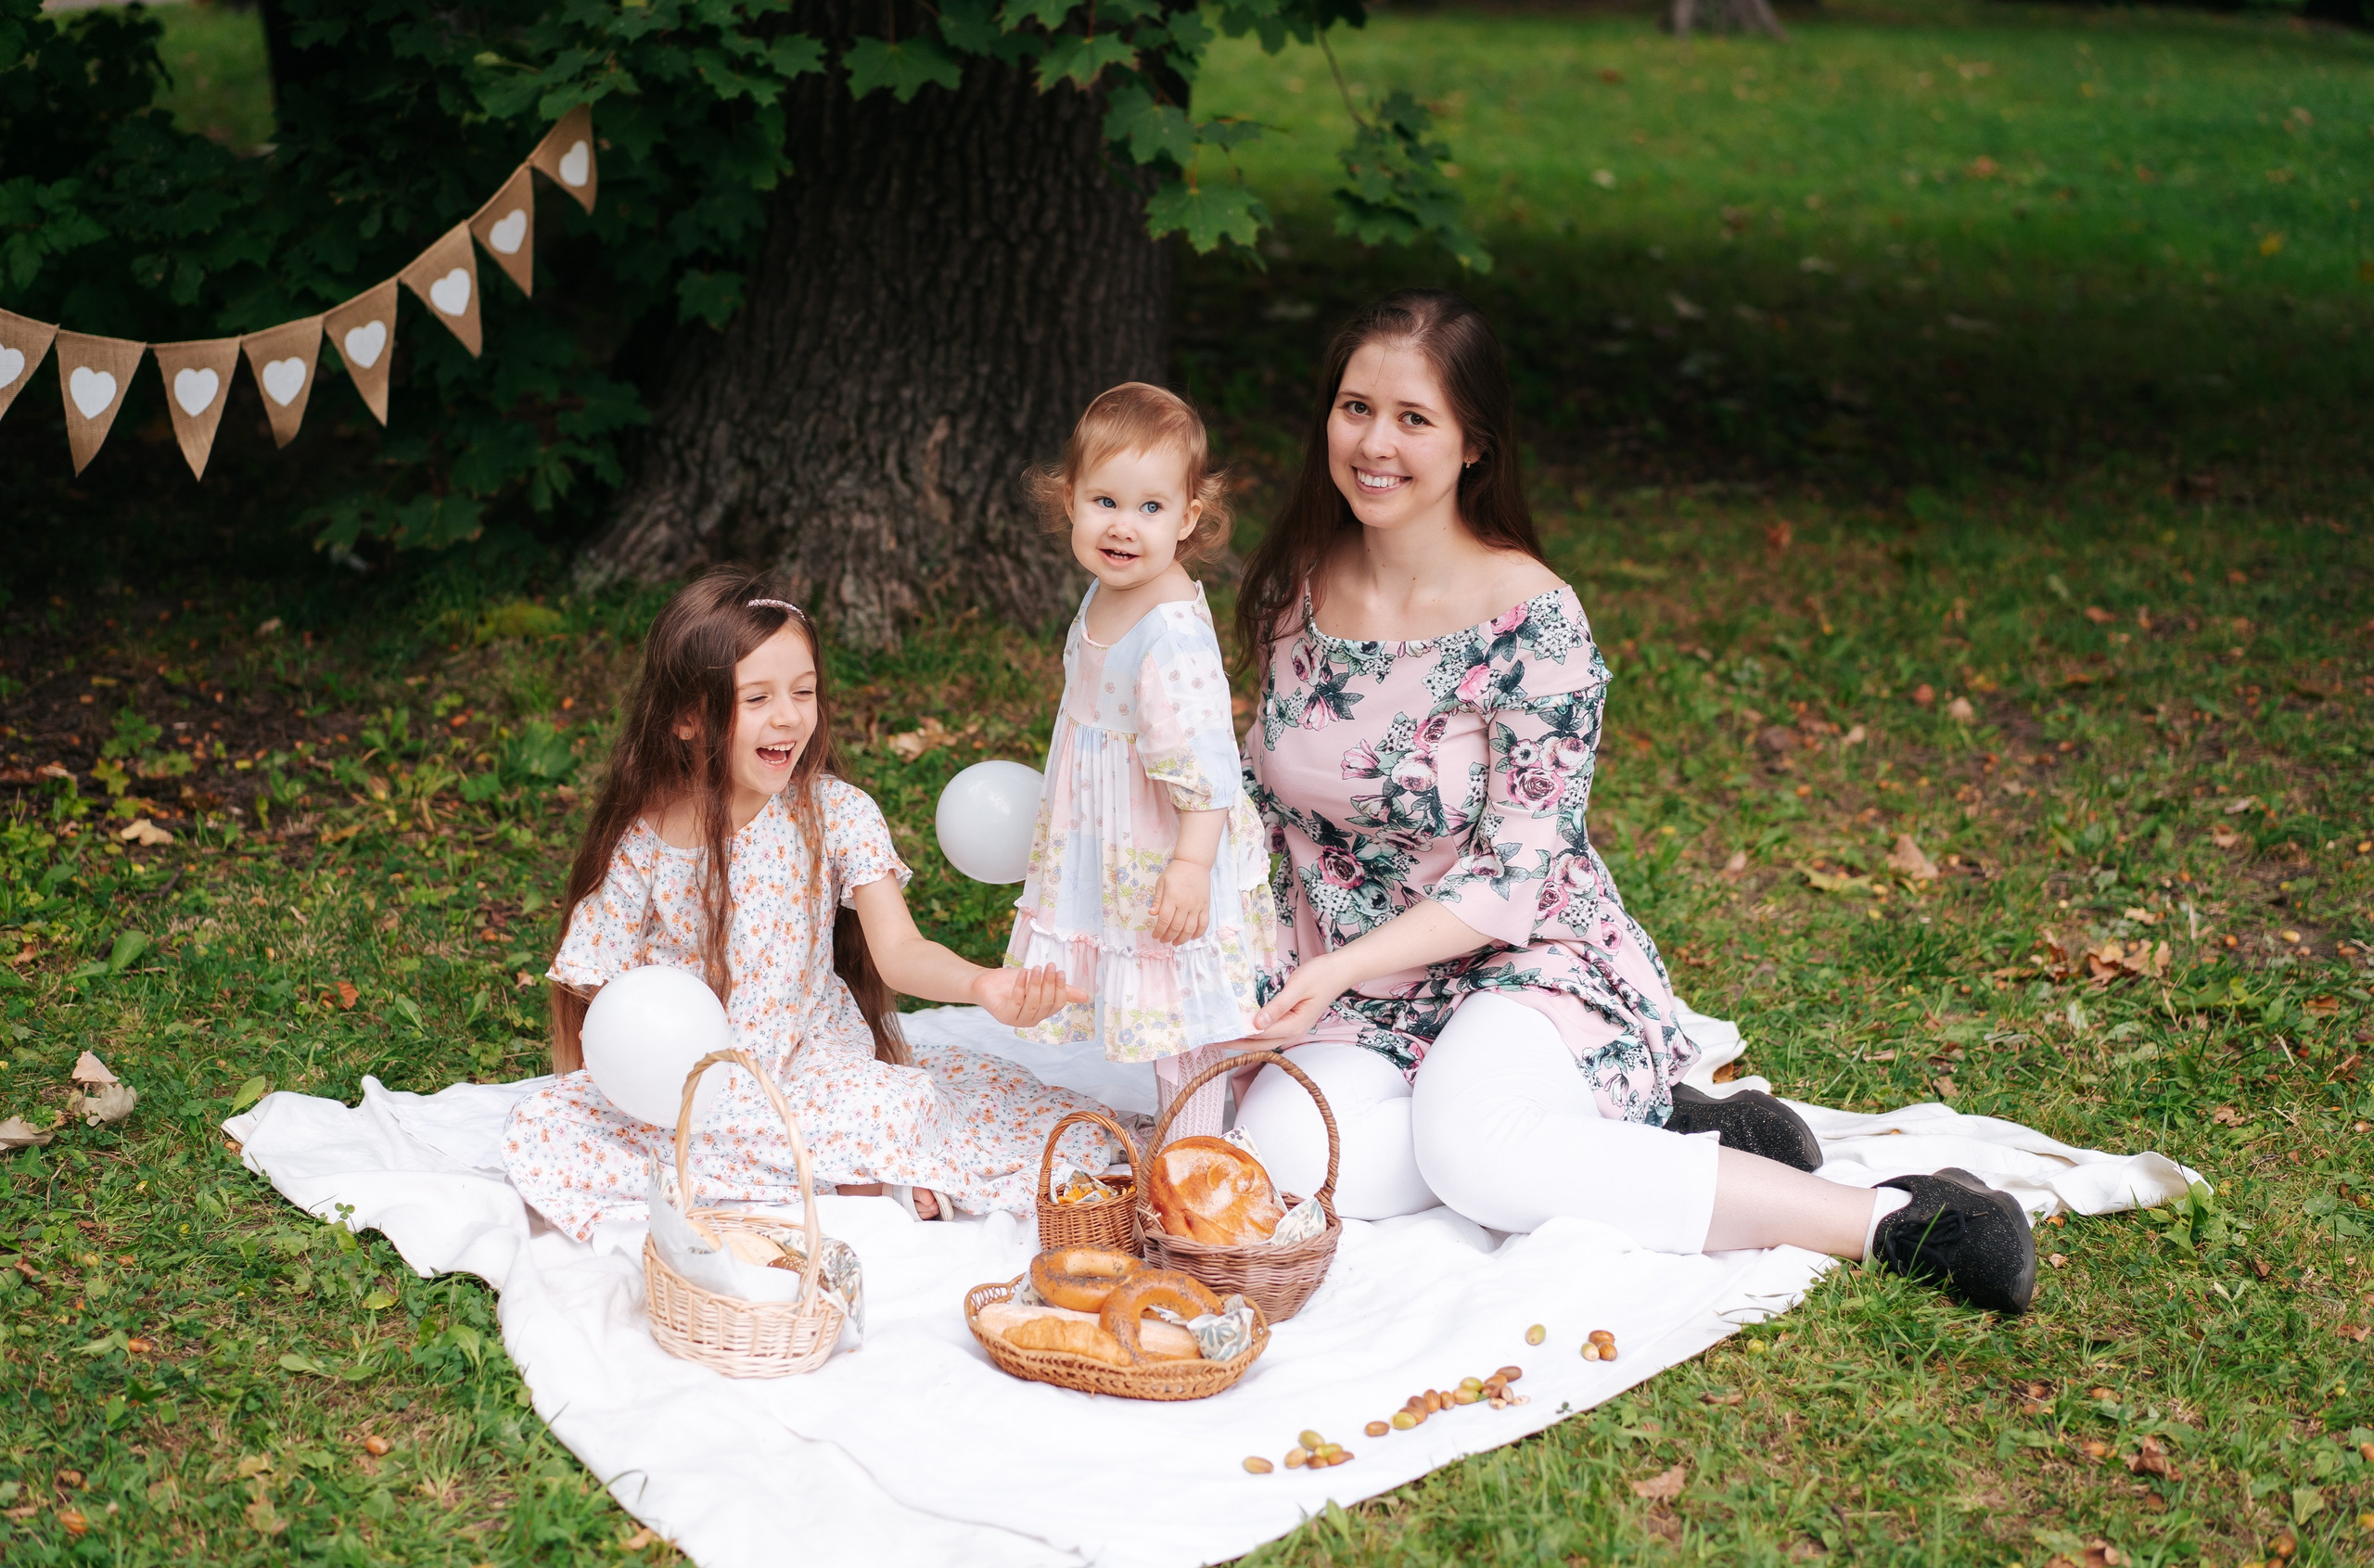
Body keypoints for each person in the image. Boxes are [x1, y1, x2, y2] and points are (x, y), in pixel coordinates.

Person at [1228, 290, 2034, 1312]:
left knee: (1469, 1148)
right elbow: (1271, 800)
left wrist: (1338, 964)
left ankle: (1890, 1215)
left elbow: (1512, 878)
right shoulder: (1295, 581)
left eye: (1413, 418)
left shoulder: (1536, 624)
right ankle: (1642, 1130)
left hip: (1517, 955)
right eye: (1354, 408)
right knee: (1282, 1159)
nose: (1374, 443)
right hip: (1355, 975)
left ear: (1474, 443)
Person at [502, 568, 1095, 1239]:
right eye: (756, 697)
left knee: (895, 1106)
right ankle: (833, 1171)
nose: (788, 715)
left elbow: (899, 954)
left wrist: (982, 983)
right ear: (688, 717)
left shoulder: (835, 812)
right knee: (546, 1129)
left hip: (812, 1060)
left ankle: (833, 1165)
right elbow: (602, 992)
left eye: (803, 691)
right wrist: (630, 1075)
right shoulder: (647, 841)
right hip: (698, 1077)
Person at [1002, 383, 1278, 1140]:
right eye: (1106, 502)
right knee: (1146, 982)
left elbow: (1208, 765)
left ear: (1189, 518)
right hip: (1115, 835)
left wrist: (1191, 865)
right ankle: (1181, 1115)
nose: (1125, 527)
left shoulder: (1169, 634)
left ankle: (1194, 1139)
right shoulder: (1105, 591)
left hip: (1170, 843)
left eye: (1152, 508)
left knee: (1179, 996)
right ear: (1070, 500)